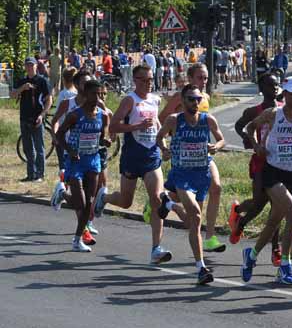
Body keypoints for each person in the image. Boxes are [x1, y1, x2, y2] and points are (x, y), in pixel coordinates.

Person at [240, 76, 292, 285]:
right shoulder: (274, 114)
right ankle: (286, 266)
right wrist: (257, 145)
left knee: (273, 222)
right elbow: (249, 128)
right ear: (284, 95)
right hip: (273, 172)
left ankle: (251, 255)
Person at [93, 64, 172, 265]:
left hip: (151, 156)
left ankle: (156, 249)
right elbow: (114, 125)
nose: (148, 83)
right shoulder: (130, 100)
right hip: (131, 156)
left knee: (156, 199)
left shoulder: (155, 100)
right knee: (126, 202)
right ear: (135, 80)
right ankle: (105, 197)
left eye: (151, 79)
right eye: (144, 80)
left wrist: (163, 146)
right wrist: (137, 126)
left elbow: (157, 126)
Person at [156, 84, 225, 285]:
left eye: (198, 99)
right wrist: (164, 150)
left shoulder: (207, 119)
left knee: (194, 223)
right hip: (181, 174)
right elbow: (160, 137)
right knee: (195, 214)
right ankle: (201, 267)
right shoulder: (174, 120)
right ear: (182, 100)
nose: (195, 103)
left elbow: (221, 139)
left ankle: (169, 205)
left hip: (201, 174)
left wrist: (216, 146)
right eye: (191, 99)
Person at [230, 73, 283, 266]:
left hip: (280, 164)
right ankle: (239, 217)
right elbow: (239, 126)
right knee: (259, 203)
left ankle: (276, 248)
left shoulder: (284, 110)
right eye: (271, 85)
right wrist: (249, 140)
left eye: (277, 84)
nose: (275, 88)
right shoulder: (254, 111)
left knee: (277, 206)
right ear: (262, 88)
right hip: (261, 163)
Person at [52, 79, 110, 252]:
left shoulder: (103, 115)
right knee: (81, 203)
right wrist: (69, 150)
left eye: (101, 94)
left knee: (89, 203)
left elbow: (102, 137)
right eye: (94, 93)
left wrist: (105, 140)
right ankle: (62, 193)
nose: (98, 97)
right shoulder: (75, 115)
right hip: (75, 162)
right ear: (85, 95)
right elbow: (59, 134)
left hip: (93, 161)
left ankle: (77, 240)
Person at [11, 57, 52, 182]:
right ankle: (30, 174)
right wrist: (22, 88)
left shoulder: (42, 81)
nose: (29, 67)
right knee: (28, 148)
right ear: (25, 67)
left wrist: (42, 114)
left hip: (37, 117)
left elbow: (49, 100)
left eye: (31, 65)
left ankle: (40, 174)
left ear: (36, 66)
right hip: (24, 117)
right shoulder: (22, 81)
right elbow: (12, 95)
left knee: (39, 147)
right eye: (27, 65)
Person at [52, 67, 78, 171]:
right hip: (76, 135)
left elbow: (57, 117)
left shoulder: (64, 94)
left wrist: (55, 136)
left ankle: (64, 185)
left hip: (64, 134)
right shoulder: (78, 93)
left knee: (63, 166)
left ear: (63, 79)